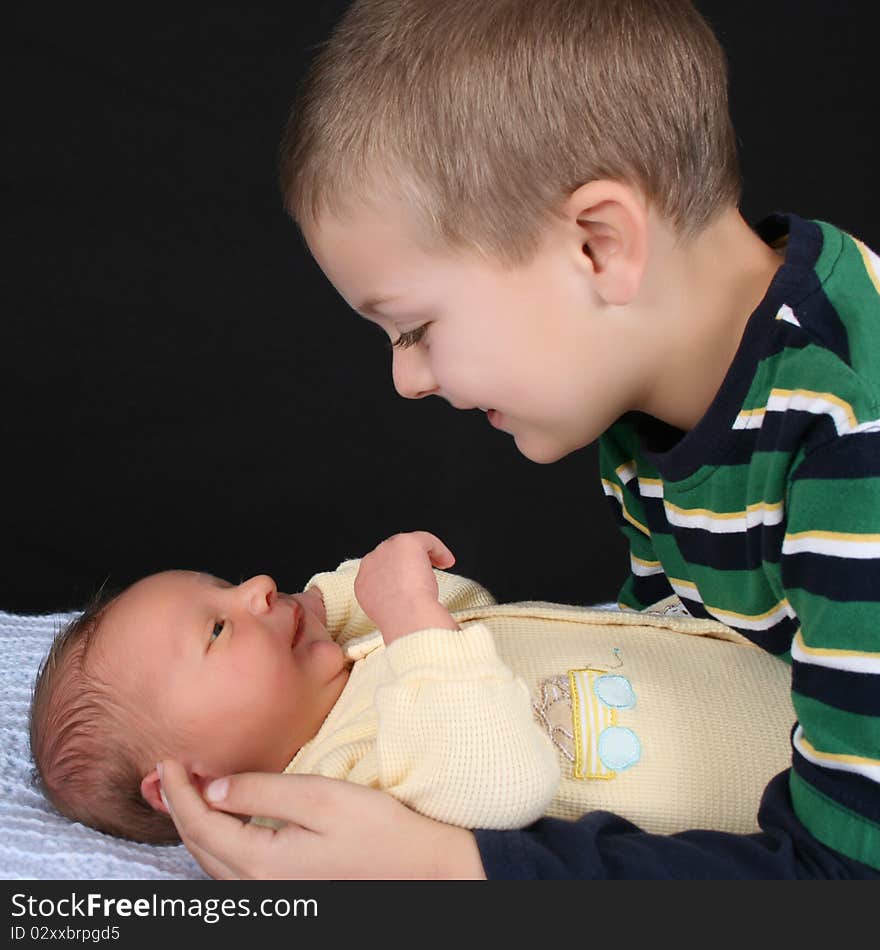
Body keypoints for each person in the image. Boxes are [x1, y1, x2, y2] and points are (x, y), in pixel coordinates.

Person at [159, 0, 880, 878]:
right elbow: (680, 652)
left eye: (415, 327)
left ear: (597, 245)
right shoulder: (652, 394)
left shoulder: (853, 443)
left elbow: (848, 880)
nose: (407, 379)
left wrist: (449, 872)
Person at [30, 532, 793, 844]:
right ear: (188, 782)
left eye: (229, 586)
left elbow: (465, 604)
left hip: (794, 681)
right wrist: (408, 622)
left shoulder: (355, 656)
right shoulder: (332, 789)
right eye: (218, 629)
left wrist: (346, 609)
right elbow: (498, 786)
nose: (259, 587)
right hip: (796, 790)